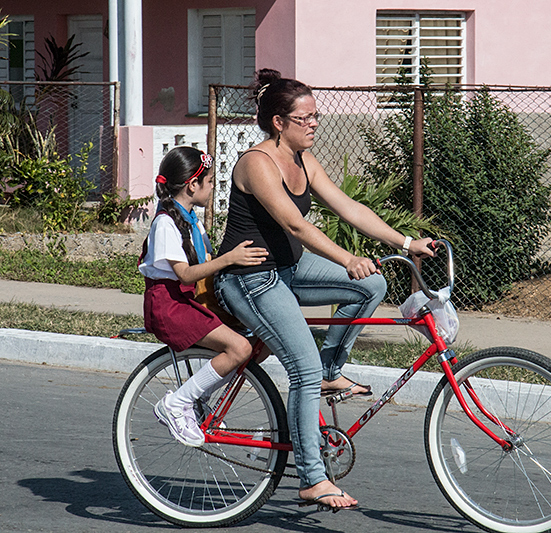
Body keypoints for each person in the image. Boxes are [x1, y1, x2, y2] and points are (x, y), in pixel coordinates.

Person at [214, 68, 434, 511]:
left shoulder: (304, 160)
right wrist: (345, 258)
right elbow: (294, 223)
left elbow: (350, 207)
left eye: (317, 116)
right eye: (306, 117)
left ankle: (331, 369)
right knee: (302, 369)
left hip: (290, 270)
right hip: (250, 279)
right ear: (279, 122)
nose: (315, 123)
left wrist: (406, 243)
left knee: (371, 283)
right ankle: (313, 479)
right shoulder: (256, 163)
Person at [139, 146, 269, 447]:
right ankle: (177, 403)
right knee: (238, 348)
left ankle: (197, 398)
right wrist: (229, 259)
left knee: (263, 342)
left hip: (190, 300)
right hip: (169, 305)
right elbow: (184, 274)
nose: (212, 187)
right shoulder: (165, 223)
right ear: (192, 185)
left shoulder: (190, 219)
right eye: (209, 181)